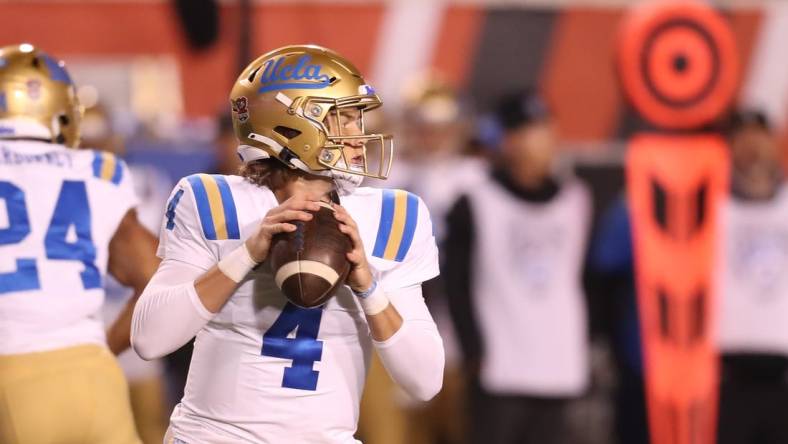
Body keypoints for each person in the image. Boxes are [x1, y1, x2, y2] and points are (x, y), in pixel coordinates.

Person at [131, 44, 444, 443]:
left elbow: (425, 380)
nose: (359, 135)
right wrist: (246, 254)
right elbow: (150, 338)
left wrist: (368, 285)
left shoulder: (395, 214)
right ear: (293, 125)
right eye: (343, 119)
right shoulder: (212, 199)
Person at [0, 44, 158, 444]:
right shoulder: (96, 168)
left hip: (11, 375)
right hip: (92, 375)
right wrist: (102, 347)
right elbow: (156, 276)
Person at [445, 90, 592, 444]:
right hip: (499, 367)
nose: (541, 142)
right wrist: (473, 351)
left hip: (559, 364)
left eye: (546, 129)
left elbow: (584, 278)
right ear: (507, 141)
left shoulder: (576, 200)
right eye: (529, 131)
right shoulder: (475, 201)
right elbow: (456, 284)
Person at [82, 102, 172, 444]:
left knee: (149, 419)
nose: (94, 147)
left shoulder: (143, 180)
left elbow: (159, 262)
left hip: (127, 311)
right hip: (87, 315)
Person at [716, 110, 788, 444]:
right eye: (741, 137)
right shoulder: (711, 206)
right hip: (727, 372)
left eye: (759, 135)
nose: (752, 146)